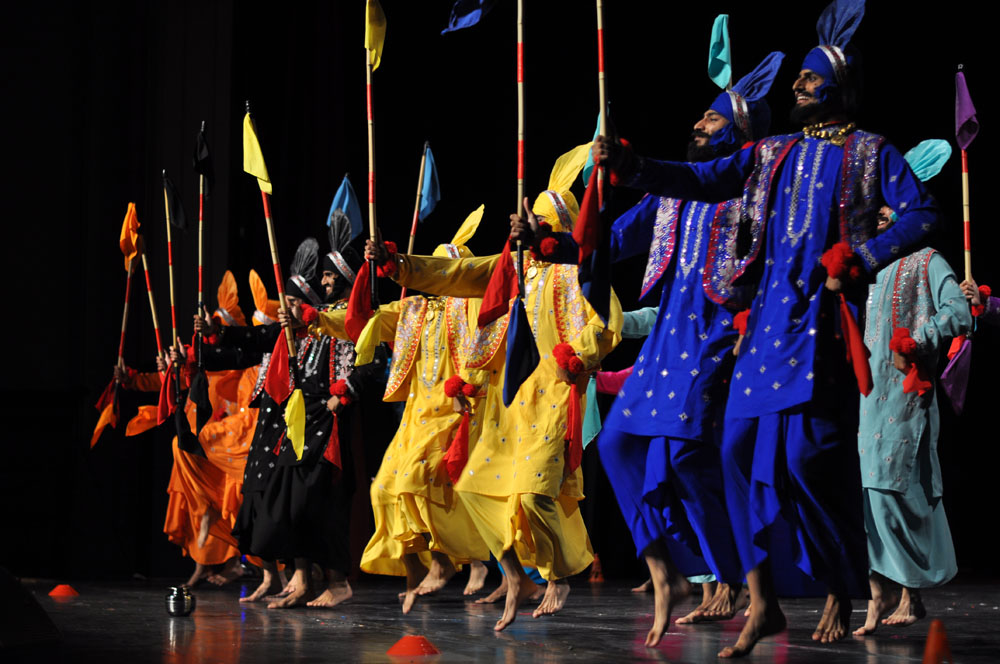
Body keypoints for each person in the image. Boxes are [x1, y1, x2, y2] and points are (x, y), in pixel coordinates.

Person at [594, 0, 939, 654]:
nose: (796, 88)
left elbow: (923, 215)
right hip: (767, 330)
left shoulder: (872, 152)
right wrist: (635, 166)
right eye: (798, 81)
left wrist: (861, 257)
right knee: (731, 456)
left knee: (808, 462)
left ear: (837, 87)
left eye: (808, 81)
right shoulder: (770, 153)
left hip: (824, 328)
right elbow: (701, 178)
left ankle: (840, 587)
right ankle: (762, 603)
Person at [515, 42, 783, 646]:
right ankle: (668, 575)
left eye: (712, 118)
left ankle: (743, 582)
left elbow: (774, 258)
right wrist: (547, 241)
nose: (697, 124)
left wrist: (753, 325)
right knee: (614, 445)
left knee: (687, 457)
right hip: (668, 336)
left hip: (719, 331)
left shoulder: (752, 190)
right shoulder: (667, 198)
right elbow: (607, 243)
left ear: (739, 130)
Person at [369, 147, 623, 630]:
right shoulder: (511, 269)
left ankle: (557, 576)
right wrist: (398, 265)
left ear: (559, 230)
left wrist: (582, 354)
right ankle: (516, 579)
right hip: (508, 404)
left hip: (552, 395)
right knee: (472, 487)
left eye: (539, 227)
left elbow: (606, 321)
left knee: (531, 496)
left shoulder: (578, 272)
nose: (528, 234)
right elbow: (454, 274)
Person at [306, 208, 491, 613]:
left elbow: (493, 343)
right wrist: (317, 317)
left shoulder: (473, 308)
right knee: (383, 489)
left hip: (454, 411)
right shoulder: (413, 312)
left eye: (447, 272)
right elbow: (364, 321)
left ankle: (451, 562)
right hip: (414, 418)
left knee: (418, 481)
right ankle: (415, 573)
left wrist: (470, 386)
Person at [853, 142, 969, 635]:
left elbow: (960, 315)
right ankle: (881, 596)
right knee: (867, 494)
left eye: (886, 204)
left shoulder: (927, 262)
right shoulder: (873, 270)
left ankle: (909, 592)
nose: (878, 212)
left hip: (906, 394)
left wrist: (919, 339)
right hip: (869, 397)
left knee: (896, 490)